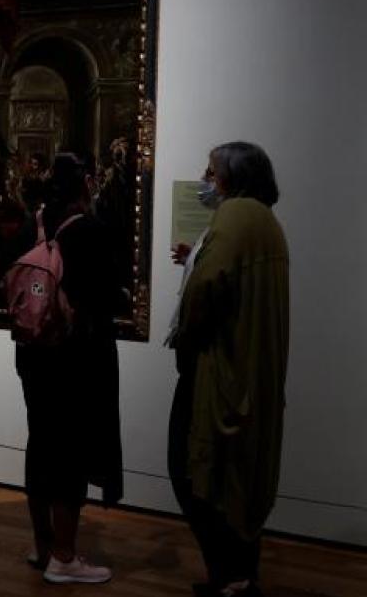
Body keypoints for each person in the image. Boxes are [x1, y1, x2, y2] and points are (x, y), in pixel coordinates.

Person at [168, 142, 288, 597]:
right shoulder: (265, 220)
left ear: (233, 177)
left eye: (210, 170)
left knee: (189, 469)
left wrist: (187, 335)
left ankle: (228, 575)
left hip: (219, 372)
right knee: (239, 477)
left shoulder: (234, 217)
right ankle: (240, 575)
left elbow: (206, 292)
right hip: (249, 371)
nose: (204, 178)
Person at [15, 153, 123, 585]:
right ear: (84, 187)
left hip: (34, 352)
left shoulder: (34, 226)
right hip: (76, 357)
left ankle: (43, 546)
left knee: (41, 443)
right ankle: (64, 556)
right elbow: (108, 295)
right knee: (70, 453)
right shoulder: (91, 232)